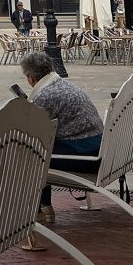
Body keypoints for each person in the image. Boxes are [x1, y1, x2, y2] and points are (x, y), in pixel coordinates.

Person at [15, 50, 103, 224]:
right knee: (41, 149)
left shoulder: (46, 95)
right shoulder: (62, 84)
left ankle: (41, 208)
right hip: (97, 149)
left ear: (31, 77)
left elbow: (34, 133)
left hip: (86, 157)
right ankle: (44, 206)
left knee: (31, 154)